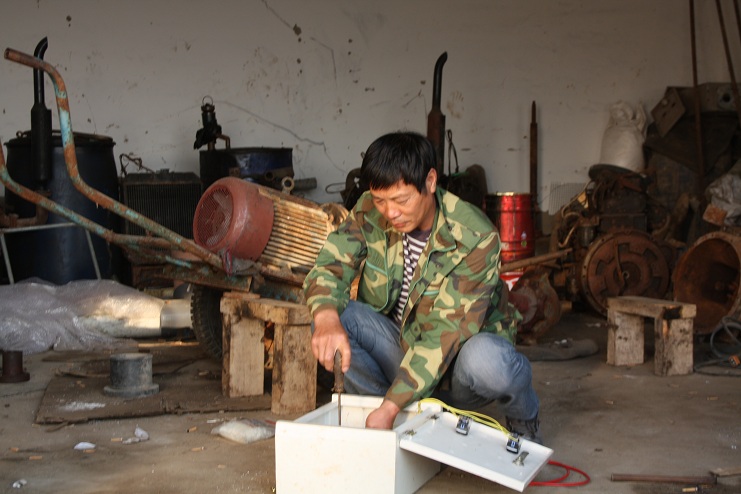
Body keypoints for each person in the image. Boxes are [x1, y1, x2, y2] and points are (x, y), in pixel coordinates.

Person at [303, 131, 540, 441]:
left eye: (401, 200)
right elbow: (330, 266)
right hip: (400, 350)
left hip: (458, 367)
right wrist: (325, 317)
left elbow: (444, 334)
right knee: (334, 317)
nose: (390, 212)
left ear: (430, 181)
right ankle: (387, 419)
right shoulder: (368, 211)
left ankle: (524, 418)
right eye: (380, 200)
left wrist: (392, 404)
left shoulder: (475, 237)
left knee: (491, 362)